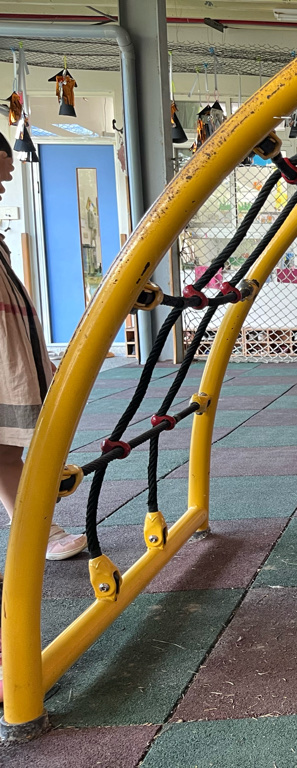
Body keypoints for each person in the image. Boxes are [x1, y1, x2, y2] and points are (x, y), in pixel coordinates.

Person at [0, 132, 88, 561]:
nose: (5, 183)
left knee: (7, 449)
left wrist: (38, 359)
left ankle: (37, 532)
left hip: (12, 350)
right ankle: (38, 531)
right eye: (0, 174)